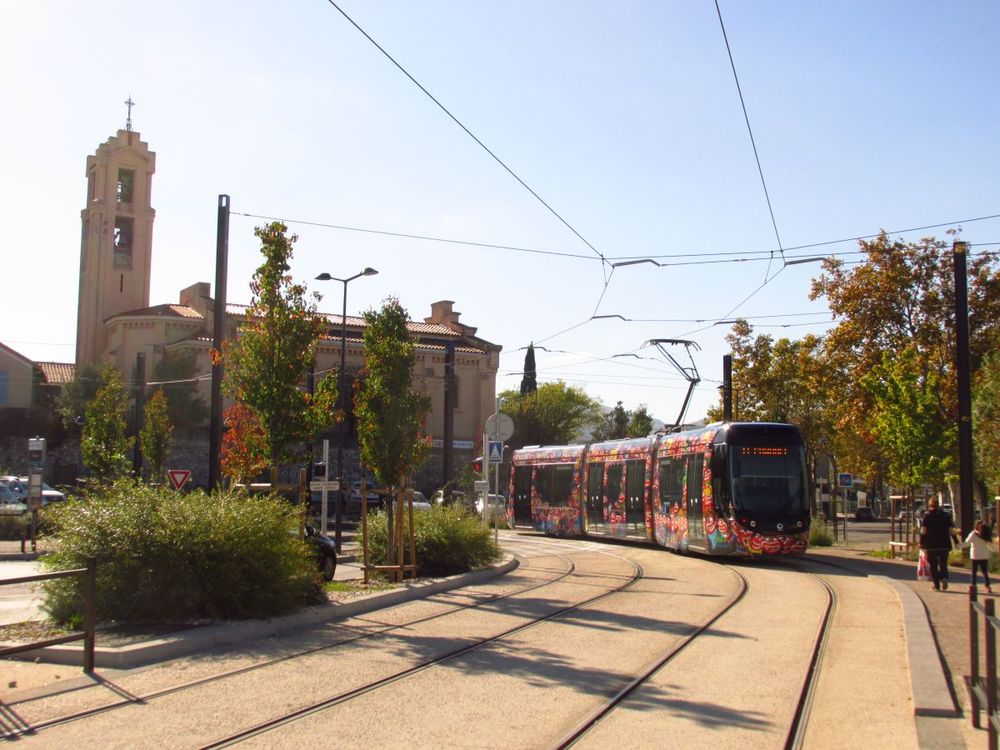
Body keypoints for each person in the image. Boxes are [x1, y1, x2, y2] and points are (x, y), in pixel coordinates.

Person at [920, 497, 959, 591]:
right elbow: (951, 530)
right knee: (943, 563)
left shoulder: (927, 516)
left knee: (933, 565)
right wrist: (956, 541)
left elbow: (923, 531)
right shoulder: (946, 515)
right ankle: (944, 578)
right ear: (938, 505)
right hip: (944, 543)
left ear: (930, 505)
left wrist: (921, 543)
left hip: (931, 544)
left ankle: (936, 585)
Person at [966, 519, 994, 593]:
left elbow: (967, 543)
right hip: (984, 556)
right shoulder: (986, 534)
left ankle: (973, 585)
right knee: (985, 572)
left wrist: (958, 545)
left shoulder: (973, 534)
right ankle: (988, 586)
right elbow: (990, 546)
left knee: (974, 571)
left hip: (975, 556)